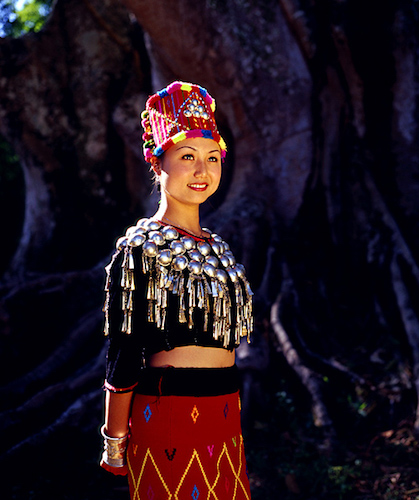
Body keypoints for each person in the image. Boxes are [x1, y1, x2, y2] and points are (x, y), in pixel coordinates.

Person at [99, 81, 253, 500]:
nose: (202, 171)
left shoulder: (218, 249)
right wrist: (115, 440)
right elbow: (124, 348)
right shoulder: (139, 248)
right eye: (187, 157)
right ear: (157, 164)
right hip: (167, 416)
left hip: (225, 418)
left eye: (212, 158)